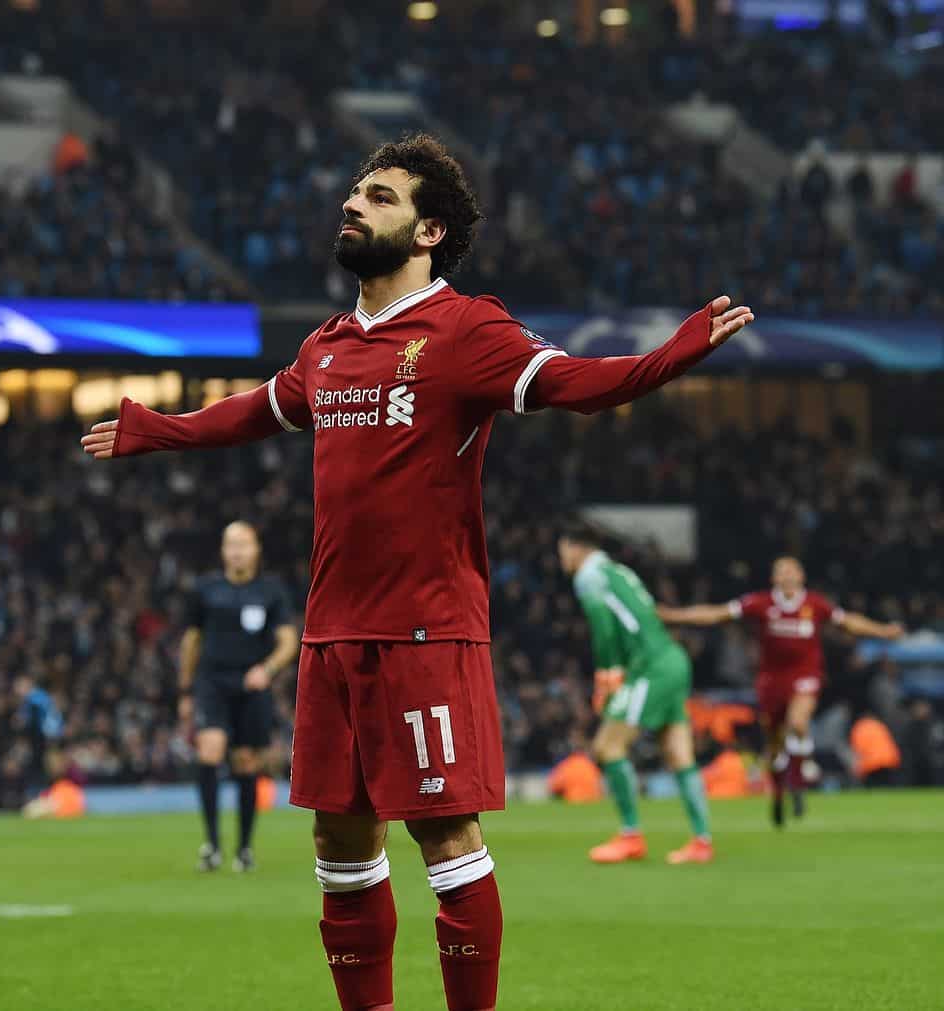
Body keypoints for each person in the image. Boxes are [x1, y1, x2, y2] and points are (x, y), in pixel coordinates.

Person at [82, 134, 753, 1011]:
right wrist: (155, 427)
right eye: (355, 193)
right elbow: (256, 411)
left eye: (380, 197)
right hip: (330, 636)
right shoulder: (326, 348)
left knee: (445, 834)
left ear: (429, 229)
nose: (354, 204)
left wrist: (671, 354)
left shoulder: (467, 328)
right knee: (340, 843)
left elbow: (580, 383)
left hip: (425, 631)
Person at [658, 557, 903, 827]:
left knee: (798, 722)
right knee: (774, 748)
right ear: (774, 578)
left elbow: (848, 622)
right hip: (771, 681)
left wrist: (882, 631)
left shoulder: (814, 604)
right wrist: (675, 615)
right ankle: (778, 792)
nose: (787, 576)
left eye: (792, 571)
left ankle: (799, 775)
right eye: (781, 572)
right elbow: (717, 613)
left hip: (805, 675)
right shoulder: (761, 603)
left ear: (801, 577)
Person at [557, 522, 714, 865]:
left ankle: (631, 836)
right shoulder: (621, 572)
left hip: (651, 667)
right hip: (673, 659)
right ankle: (702, 842)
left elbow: (601, 621)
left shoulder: (588, 575)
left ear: (576, 547)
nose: (562, 559)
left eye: (563, 550)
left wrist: (607, 672)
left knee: (607, 747)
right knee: (678, 755)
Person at [179, 521, 299, 873]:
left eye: (243, 544)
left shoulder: (271, 591)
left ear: (256, 549)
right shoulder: (206, 590)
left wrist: (268, 668)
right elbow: (192, 640)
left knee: (247, 762)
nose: (237, 551)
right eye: (231, 544)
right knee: (210, 750)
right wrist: (185, 688)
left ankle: (244, 848)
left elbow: (288, 640)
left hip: (252, 687)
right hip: (212, 683)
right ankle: (212, 845)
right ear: (222, 550)